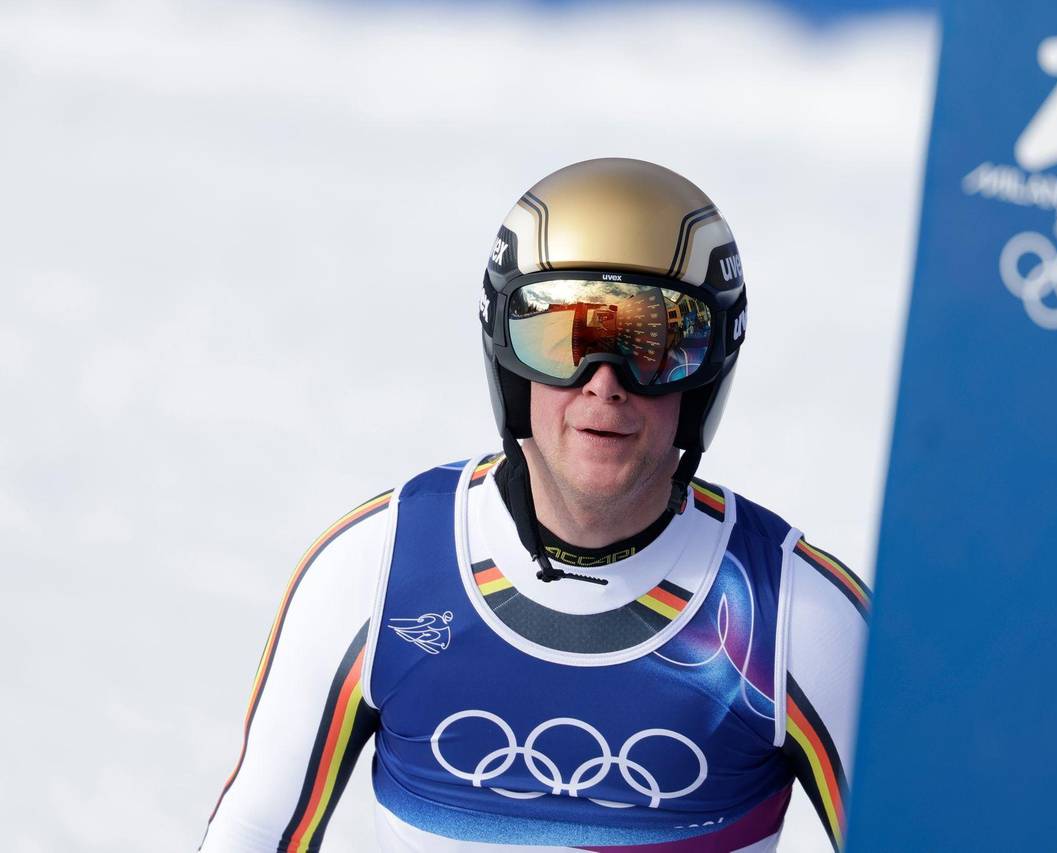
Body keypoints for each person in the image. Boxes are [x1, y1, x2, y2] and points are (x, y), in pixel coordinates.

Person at [200, 158, 871, 852]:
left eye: (656, 345)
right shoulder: (376, 570)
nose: (604, 384)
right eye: (563, 338)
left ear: (704, 381)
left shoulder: (796, 615)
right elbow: (251, 833)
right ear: (508, 363)